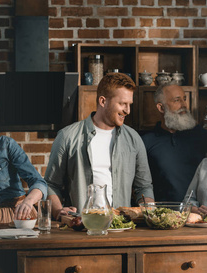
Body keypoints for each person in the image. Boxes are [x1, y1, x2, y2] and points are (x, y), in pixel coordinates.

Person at [45, 72, 154, 219]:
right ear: (103, 101)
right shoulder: (67, 136)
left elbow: (144, 186)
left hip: (122, 226)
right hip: (82, 225)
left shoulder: (134, 139)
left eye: (129, 105)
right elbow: (51, 184)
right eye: (122, 104)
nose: (127, 111)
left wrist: (150, 211)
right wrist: (58, 211)